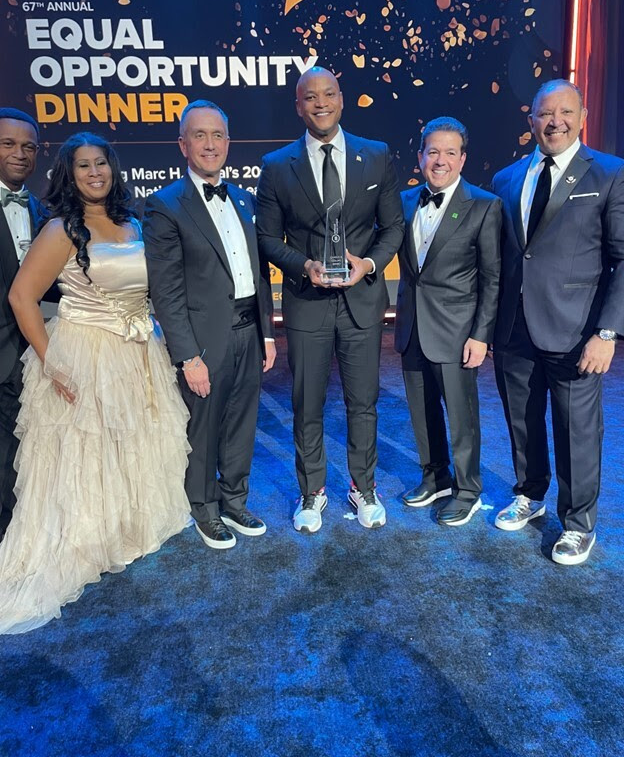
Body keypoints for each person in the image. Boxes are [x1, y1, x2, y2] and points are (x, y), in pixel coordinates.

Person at [0, 132, 191, 634]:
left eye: (100, 163)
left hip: (136, 349)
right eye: (83, 165)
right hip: (84, 351)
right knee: (86, 451)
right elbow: (23, 297)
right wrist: (51, 363)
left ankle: (122, 528)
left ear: (113, 168)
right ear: (69, 173)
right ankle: (88, 540)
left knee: (128, 444)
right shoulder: (62, 228)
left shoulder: (131, 222)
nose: (94, 173)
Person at [256, 66, 404, 533]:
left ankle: (364, 489)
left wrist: (369, 264)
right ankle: (312, 491)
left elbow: (392, 227)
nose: (320, 103)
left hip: (361, 298)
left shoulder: (375, 155)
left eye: (328, 94)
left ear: (341, 99)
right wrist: (303, 266)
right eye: (309, 97)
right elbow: (266, 237)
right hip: (307, 300)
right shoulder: (278, 165)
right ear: (298, 106)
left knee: (363, 402)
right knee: (307, 403)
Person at [492, 79, 624, 565]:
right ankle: (530, 494)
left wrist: (607, 332)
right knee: (522, 422)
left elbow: (623, 258)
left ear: (583, 116)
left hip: (577, 331)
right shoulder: (507, 179)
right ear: (531, 122)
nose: (555, 122)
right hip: (515, 328)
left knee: (577, 430)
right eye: (545, 114)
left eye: (565, 112)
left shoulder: (610, 173)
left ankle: (577, 523)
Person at [143, 100, 275, 551]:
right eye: (200, 135)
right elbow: (166, 291)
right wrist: (187, 355)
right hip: (203, 340)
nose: (210, 144)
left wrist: (268, 332)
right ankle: (203, 507)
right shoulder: (165, 205)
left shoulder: (243, 198)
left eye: (218, 135)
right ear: (183, 144)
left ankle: (234, 499)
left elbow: (259, 273)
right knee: (203, 425)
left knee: (242, 421)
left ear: (228, 143)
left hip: (248, 332)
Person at [394, 117, 501, 525]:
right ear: (420, 156)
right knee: (421, 412)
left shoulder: (485, 205)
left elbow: (492, 278)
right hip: (411, 326)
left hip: (458, 334)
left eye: (450, 153)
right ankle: (435, 476)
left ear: (463, 159)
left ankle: (468, 489)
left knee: (461, 416)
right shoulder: (404, 202)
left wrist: (481, 335)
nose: (441, 160)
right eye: (433, 151)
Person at [0, 108, 49, 539]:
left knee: (21, 449)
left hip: (29, 350)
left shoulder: (39, 209)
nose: (20, 154)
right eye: (8, 144)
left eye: (28, 147)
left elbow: (45, 285)